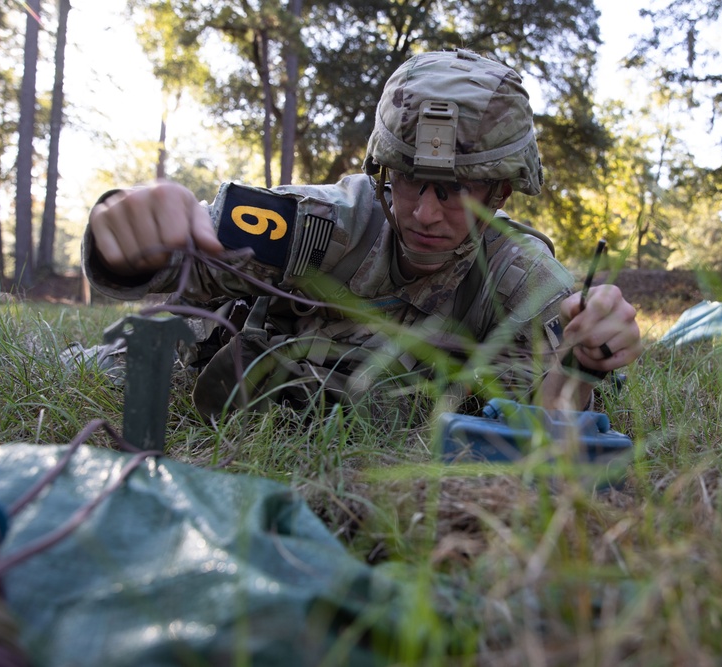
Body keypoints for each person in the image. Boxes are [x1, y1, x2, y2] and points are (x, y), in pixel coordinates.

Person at [83, 49, 642, 419]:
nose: (424, 212)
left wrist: (584, 360)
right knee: (101, 358)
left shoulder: (524, 281)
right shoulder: (328, 223)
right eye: (407, 180)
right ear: (383, 172)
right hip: (196, 349)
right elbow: (180, 259)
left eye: (455, 190)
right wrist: (126, 231)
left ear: (501, 193)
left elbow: (553, 418)